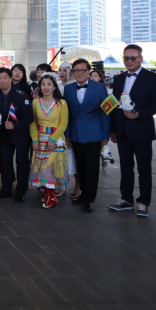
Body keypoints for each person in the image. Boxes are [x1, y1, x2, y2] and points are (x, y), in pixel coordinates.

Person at [111, 45, 156, 218]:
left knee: (144, 168)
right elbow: (115, 105)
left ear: (141, 58)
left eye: (133, 58)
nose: (129, 61)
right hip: (122, 130)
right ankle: (126, 199)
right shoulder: (119, 78)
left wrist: (139, 113)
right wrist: (113, 129)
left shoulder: (152, 78)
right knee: (125, 167)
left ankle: (144, 202)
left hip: (142, 129)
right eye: (126, 58)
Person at [63, 59, 110, 213]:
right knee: (81, 166)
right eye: (77, 70)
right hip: (76, 133)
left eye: (83, 70)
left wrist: (106, 135)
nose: (80, 73)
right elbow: (67, 114)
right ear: (73, 72)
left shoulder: (100, 87)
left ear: (89, 71)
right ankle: (83, 193)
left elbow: (106, 112)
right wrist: (68, 134)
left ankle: (90, 199)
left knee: (92, 168)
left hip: (94, 133)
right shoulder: (68, 88)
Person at [0, 67, 33, 203]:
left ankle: (21, 191)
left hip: (21, 135)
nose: (2, 81)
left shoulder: (22, 95)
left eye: (5, 78)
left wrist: (16, 125)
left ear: (10, 79)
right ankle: (6, 190)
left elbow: (29, 117)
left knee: (21, 163)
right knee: (5, 162)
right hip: (4, 135)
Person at [29, 74, 69, 208]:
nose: (46, 87)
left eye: (49, 84)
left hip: (55, 140)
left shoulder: (61, 103)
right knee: (42, 167)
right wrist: (35, 139)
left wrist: (53, 139)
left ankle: (52, 196)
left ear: (54, 87)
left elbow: (63, 124)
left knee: (49, 168)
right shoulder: (35, 102)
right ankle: (47, 193)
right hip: (40, 139)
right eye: (43, 84)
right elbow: (33, 123)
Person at [57, 61, 80, 199]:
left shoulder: (75, 86)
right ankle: (62, 186)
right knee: (60, 158)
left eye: (65, 70)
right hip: (58, 126)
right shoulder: (56, 86)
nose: (62, 73)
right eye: (60, 70)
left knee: (73, 158)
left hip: (72, 125)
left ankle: (78, 186)